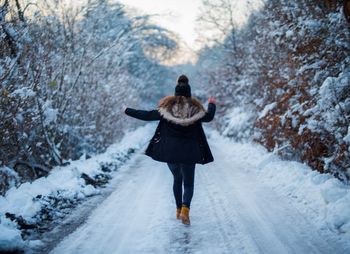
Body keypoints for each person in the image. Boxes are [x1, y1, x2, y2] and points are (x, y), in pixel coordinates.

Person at [124, 74, 216, 225]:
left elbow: (146, 115)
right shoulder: (196, 110)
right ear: (189, 93)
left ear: (175, 93)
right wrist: (211, 103)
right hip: (190, 152)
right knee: (188, 183)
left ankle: (178, 210)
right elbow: (209, 116)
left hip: (171, 152)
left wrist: (127, 110)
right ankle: (186, 210)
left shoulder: (165, 109)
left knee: (177, 179)